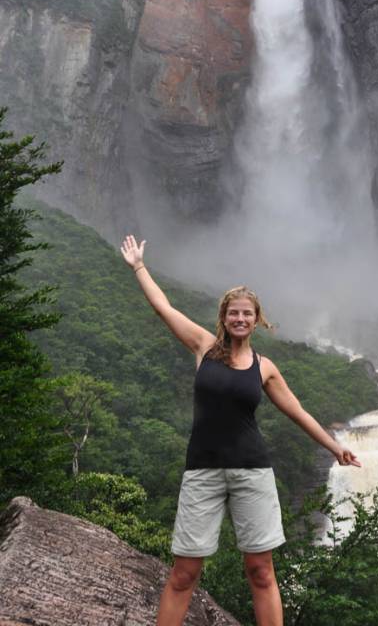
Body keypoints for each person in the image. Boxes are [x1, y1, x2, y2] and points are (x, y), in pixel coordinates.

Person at [120, 235, 361, 626]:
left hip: (253, 472)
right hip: (202, 471)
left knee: (261, 572)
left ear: (256, 319)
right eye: (234, 313)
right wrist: (139, 267)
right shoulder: (203, 346)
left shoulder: (264, 367)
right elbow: (163, 307)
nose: (240, 319)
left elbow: (297, 412)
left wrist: (335, 448)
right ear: (224, 317)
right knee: (184, 573)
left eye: (247, 314)